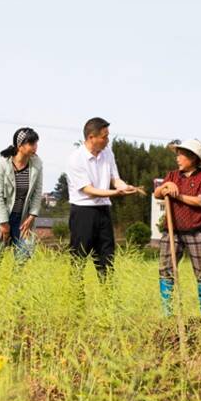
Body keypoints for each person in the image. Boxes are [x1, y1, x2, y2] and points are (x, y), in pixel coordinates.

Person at [0, 127, 43, 303]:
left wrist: (33, 215)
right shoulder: (3, 163)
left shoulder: (37, 163)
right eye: (31, 143)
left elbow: (37, 192)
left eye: (36, 142)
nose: (35, 146)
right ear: (20, 145)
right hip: (0, 218)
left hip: (23, 219)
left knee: (23, 258)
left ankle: (15, 299)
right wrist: (4, 223)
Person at [66, 117, 137, 284]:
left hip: (104, 211)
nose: (107, 140)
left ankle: (108, 300)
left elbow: (115, 178)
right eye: (104, 136)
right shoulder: (75, 158)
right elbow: (88, 190)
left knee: (107, 257)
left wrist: (124, 187)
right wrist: (115, 193)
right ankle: (76, 301)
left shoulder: (108, 153)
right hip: (83, 211)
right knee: (79, 258)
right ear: (92, 137)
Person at [153, 139, 201, 316]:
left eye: (181, 155)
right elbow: (157, 194)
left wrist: (177, 195)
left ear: (193, 158)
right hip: (172, 231)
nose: (177, 158)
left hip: (197, 231)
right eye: (177, 154)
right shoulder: (172, 175)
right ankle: (167, 310)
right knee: (166, 270)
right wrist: (166, 186)